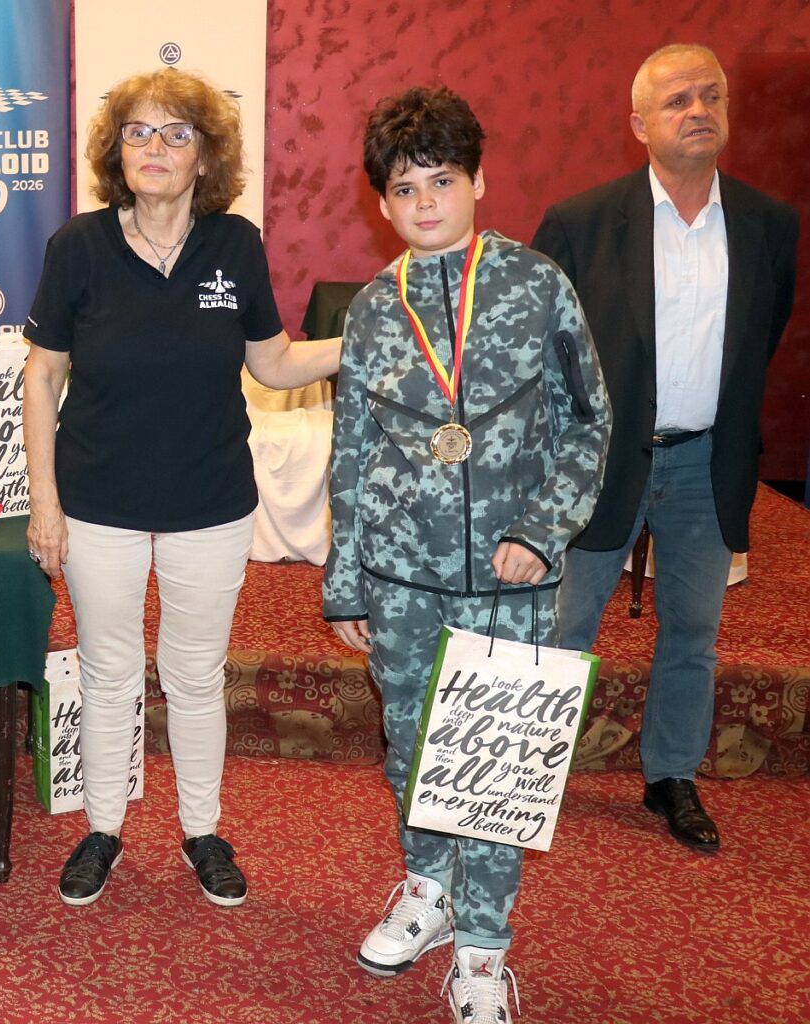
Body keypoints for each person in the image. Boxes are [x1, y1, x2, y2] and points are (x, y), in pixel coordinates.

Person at [323, 87, 610, 1023]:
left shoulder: (537, 285)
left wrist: (541, 530)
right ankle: (427, 890)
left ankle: (483, 948)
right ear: (381, 204)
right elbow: (351, 451)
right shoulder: (373, 308)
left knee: (493, 759)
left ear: (478, 182)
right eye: (404, 189)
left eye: (442, 182)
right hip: (399, 580)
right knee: (409, 746)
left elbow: (587, 422)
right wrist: (347, 579)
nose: (424, 204)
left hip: (507, 576)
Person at [23, 67, 340, 910]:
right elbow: (41, 375)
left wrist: (371, 335)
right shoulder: (77, 246)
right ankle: (102, 827)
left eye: (175, 133)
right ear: (115, 151)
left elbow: (273, 362)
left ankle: (202, 830)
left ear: (205, 155)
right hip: (97, 500)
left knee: (195, 676)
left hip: (208, 500)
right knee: (108, 672)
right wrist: (44, 501)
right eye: (137, 132)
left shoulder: (233, 244)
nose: (154, 147)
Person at [532, 44, 799, 854]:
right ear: (638, 124)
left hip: (705, 463)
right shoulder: (580, 222)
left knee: (692, 634)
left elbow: (760, 338)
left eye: (710, 96)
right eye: (677, 100)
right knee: (562, 627)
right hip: (598, 462)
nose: (697, 111)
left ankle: (670, 776)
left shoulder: (768, 225)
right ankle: (529, 775)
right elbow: (541, 351)